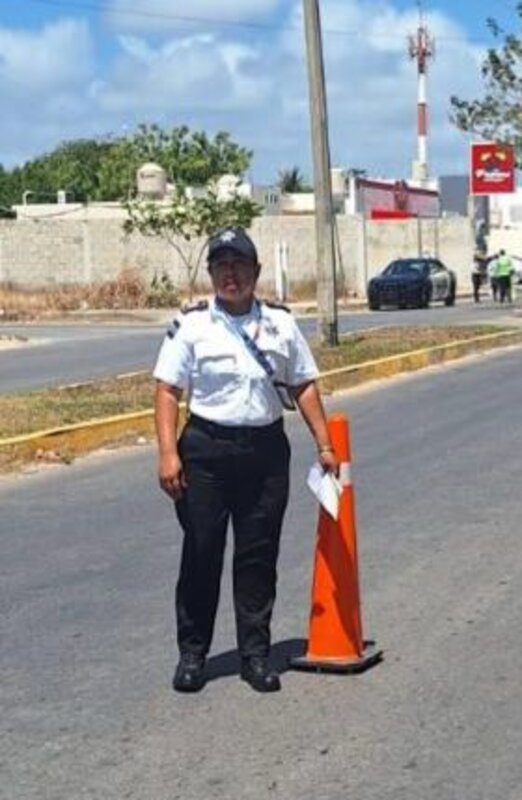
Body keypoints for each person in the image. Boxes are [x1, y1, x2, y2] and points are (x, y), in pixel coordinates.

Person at [153, 227, 339, 694]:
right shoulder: (191, 325)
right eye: (221, 265)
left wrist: (324, 443)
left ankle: (255, 655)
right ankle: (192, 655)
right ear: (211, 273)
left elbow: (303, 384)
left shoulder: (281, 324)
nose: (230, 274)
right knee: (202, 553)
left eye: (238, 265)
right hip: (206, 452)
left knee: (258, 555)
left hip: (264, 453)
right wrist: (168, 453)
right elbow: (167, 391)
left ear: (256, 272)